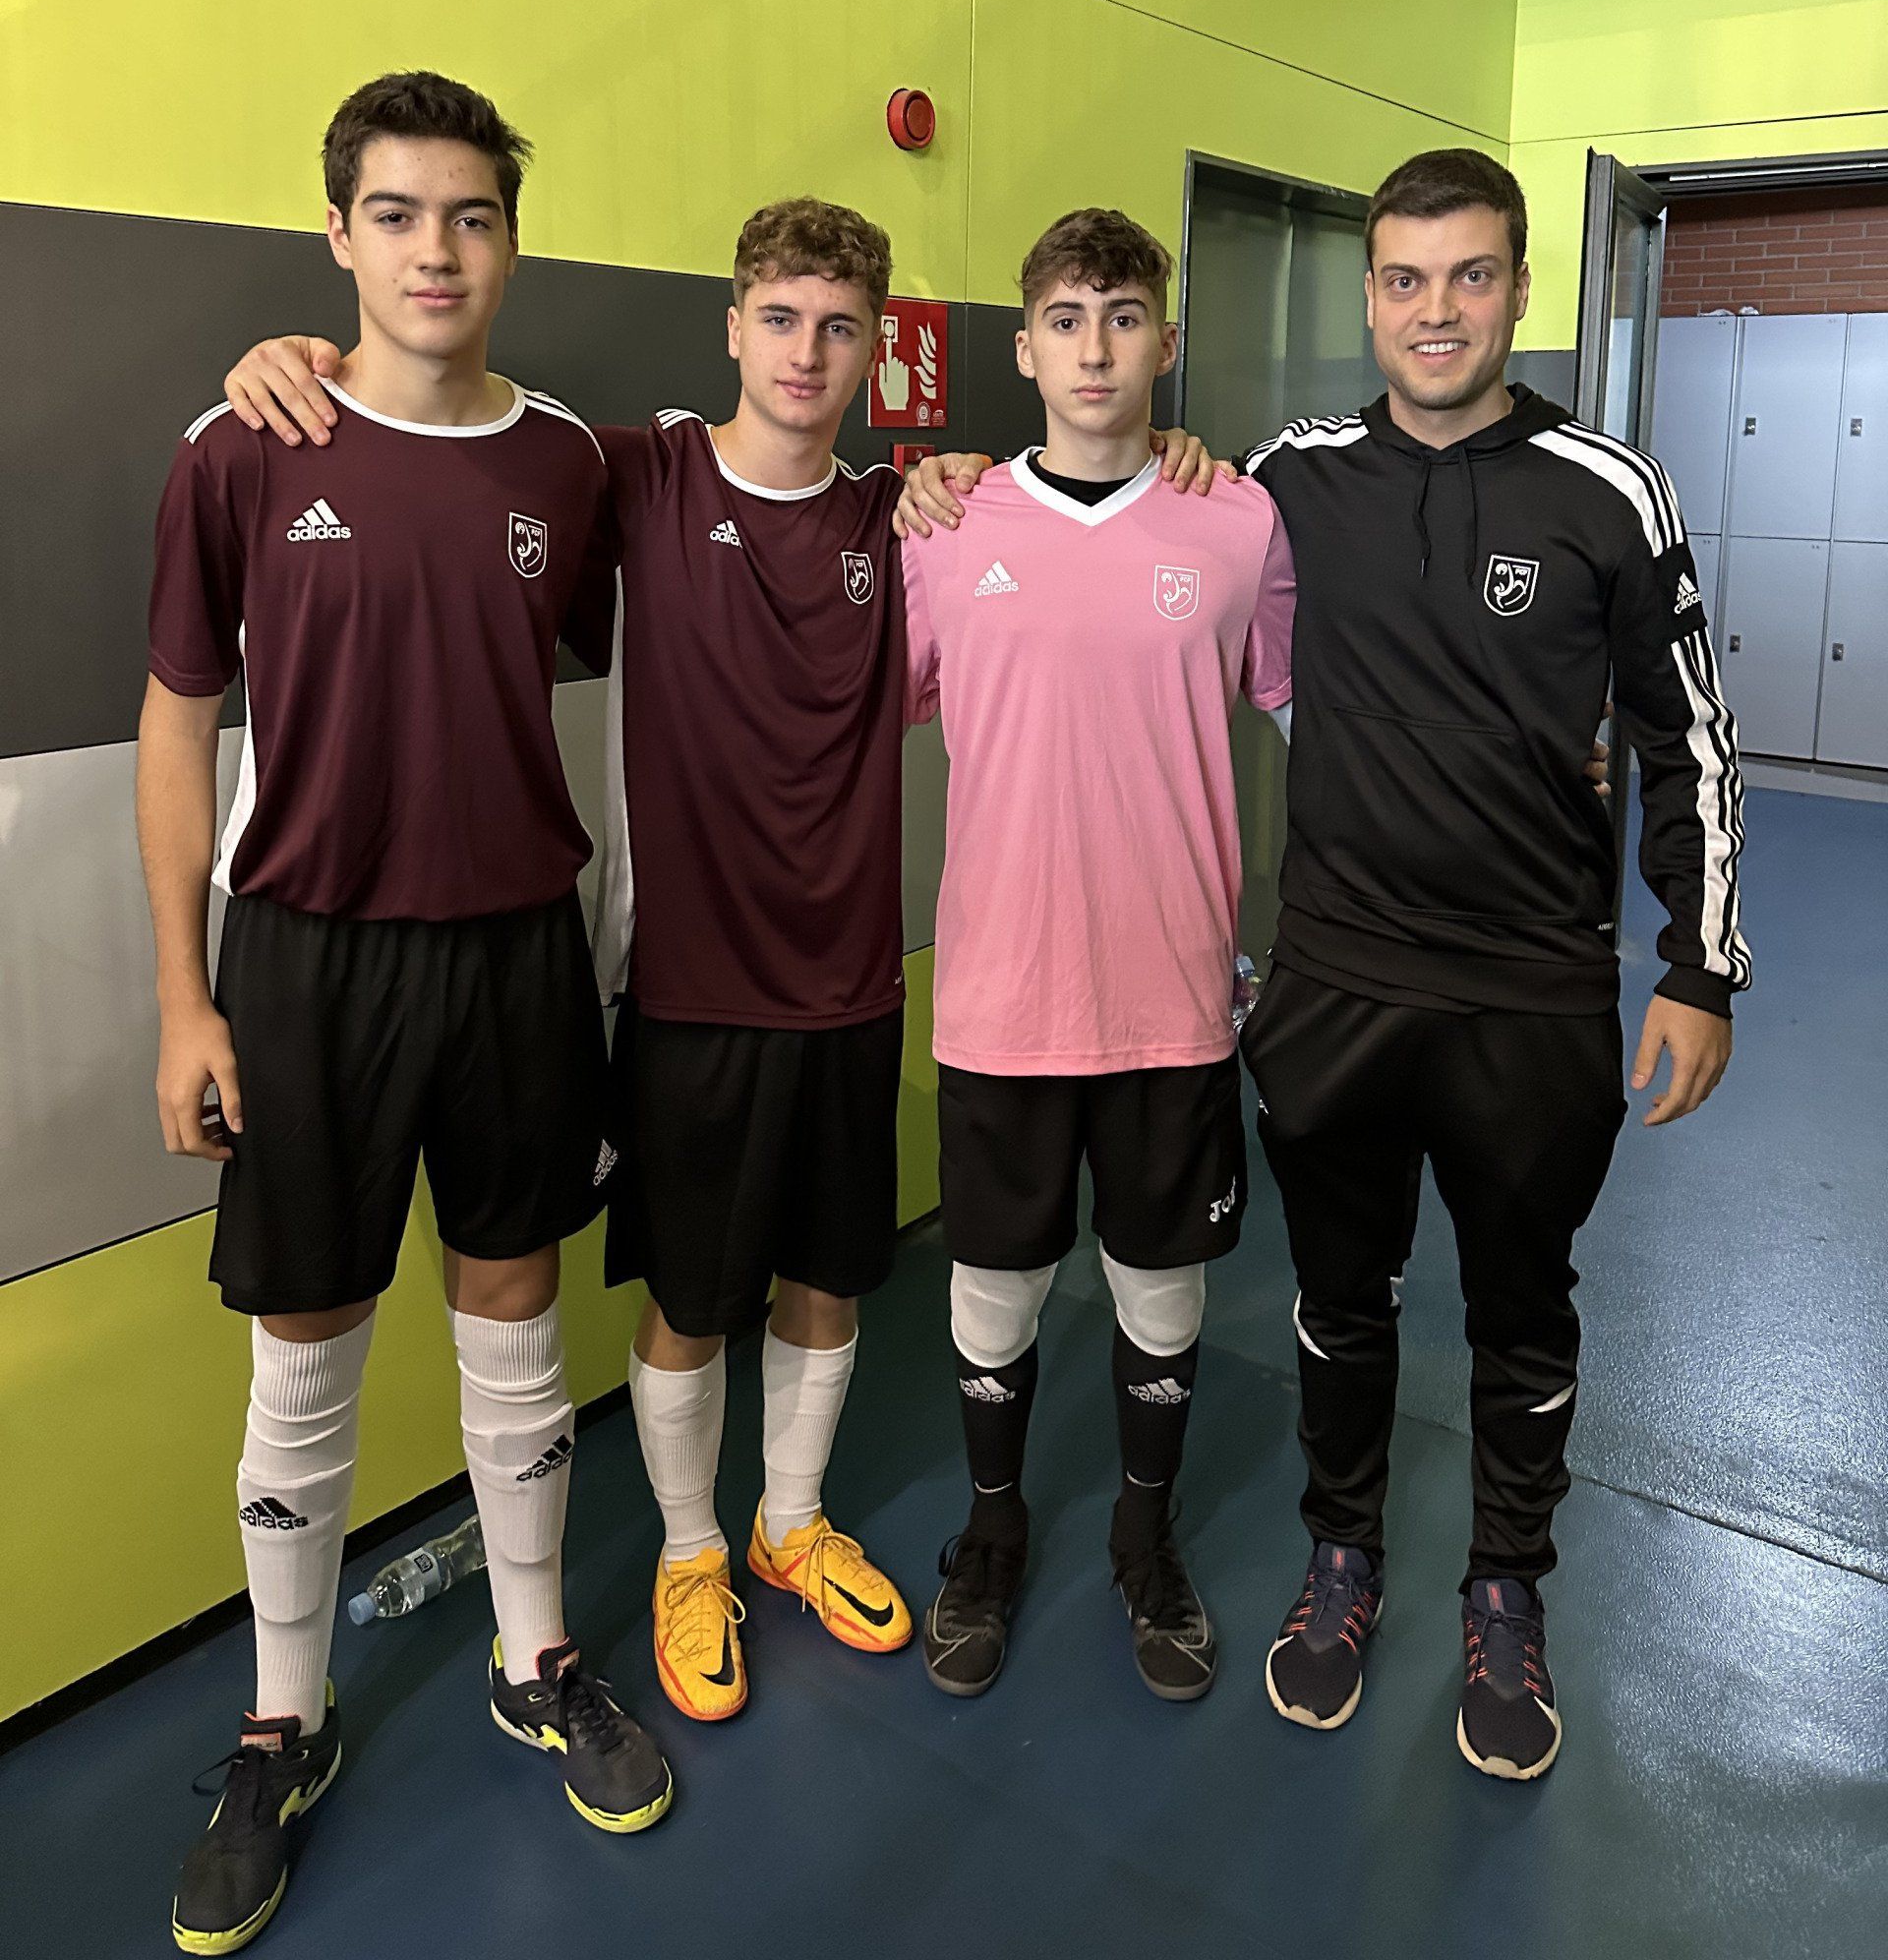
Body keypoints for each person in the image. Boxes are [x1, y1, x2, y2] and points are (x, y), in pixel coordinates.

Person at [217, 201, 1226, 1733]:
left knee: (828, 1280)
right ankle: (692, 1551)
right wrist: (303, 361)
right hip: (685, 986)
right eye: (780, 319)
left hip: (853, 985)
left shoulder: (911, 515)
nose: (807, 352)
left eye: (840, 327)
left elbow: (1063, 515)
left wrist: (1157, 457)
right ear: (733, 327)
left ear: (876, 350)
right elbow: (448, 428)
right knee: (692, 1298)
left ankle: (790, 1523)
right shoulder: (636, 476)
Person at [142, 73, 671, 1958]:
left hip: (518, 951)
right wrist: (183, 996)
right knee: (308, 1342)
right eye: (397, 213)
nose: (436, 250)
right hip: (308, 962)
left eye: (472, 216)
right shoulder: (242, 443)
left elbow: (744, 519)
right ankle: (281, 1721)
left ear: (510, 242)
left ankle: (537, 1659)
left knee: (515, 1314)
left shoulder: (570, 465)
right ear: (339, 235)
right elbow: (176, 725)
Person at [1238, 148, 1745, 1782]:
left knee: (1525, 1308)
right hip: (1336, 980)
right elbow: (1127, 530)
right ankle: (1342, 1556)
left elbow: (1688, 735)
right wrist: (948, 486)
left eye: (1470, 275)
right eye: (1405, 278)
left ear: (1522, 288)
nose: (1436, 311)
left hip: (1532, 990)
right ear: (1368, 295)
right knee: (1341, 1299)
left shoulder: (1610, 489)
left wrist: (1700, 967)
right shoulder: (1287, 477)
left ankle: (1506, 1587)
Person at [900, 208, 1295, 1701]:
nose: (1095, 347)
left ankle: (1144, 1534)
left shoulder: (1238, 524)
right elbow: (865, 699)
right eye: (1066, 318)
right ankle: (992, 1533)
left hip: (1172, 995)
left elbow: (1316, 710)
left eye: (1124, 316)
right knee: (993, 1285)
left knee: (1159, 1282)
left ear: (1165, 343)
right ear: (1023, 348)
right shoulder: (947, 528)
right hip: (1002, 993)